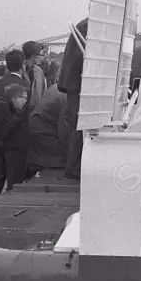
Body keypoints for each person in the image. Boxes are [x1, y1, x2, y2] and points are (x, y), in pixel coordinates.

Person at [0, 49, 32, 194]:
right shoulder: (25, 86)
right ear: (23, 65)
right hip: (17, 141)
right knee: (16, 183)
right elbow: (22, 114)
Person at [57, 17, 89, 181]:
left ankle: (74, 166)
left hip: (74, 82)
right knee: (80, 124)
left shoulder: (84, 25)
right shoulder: (87, 26)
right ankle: (73, 168)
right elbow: (82, 56)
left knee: (78, 125)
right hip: (77, 83)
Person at [27, 82, 71, 174]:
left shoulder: (57, 87)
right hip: (45, 138)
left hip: (36, 132)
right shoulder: (67, 98)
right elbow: (64, 134)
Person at [22, 41, 47, 111]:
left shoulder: (39, 71)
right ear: (33, 56)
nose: (41, 57)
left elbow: (43, 93)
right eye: (39, 55)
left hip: (35, 112)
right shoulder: (18, 70)